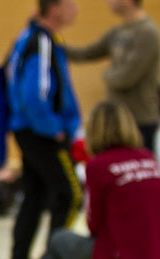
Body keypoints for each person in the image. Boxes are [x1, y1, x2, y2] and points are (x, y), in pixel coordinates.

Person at [40, 101, 160, 259]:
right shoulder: (148, 158)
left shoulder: (97, 166)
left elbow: (93, 223)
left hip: (124, 258)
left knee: (59, 240)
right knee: (107, 251)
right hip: (155, 252)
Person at [6, 0, 82, 259]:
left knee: (35, 194)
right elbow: (34, 95)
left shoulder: (35, 37)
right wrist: (54, 128)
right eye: (71, 3)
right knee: (71, 194)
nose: (77, 8)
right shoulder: (40, 42)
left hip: (31, 130)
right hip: (42, 132)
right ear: (55, 8)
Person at [65, 0, 160, 151]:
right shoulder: (117, 32)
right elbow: (85, 53)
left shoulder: (148, 33)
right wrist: (53, 42)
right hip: (117, 120)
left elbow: (126, 78)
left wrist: (106, 74)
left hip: (140, 119)